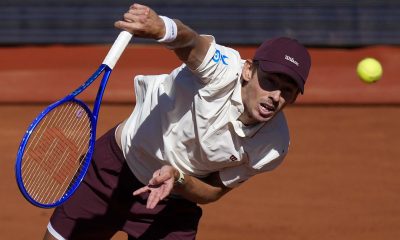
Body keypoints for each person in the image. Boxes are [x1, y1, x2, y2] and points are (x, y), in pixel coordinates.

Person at [44, 3, 311, 240]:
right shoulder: (224, 68)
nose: (276, 96)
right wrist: (163, 28)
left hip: (172, 201)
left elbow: (214, 191)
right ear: (248, 70)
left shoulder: (274, 145)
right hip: (114, 169)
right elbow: (192, 44)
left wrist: (179, 177)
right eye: (270, 81)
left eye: (287, 90)